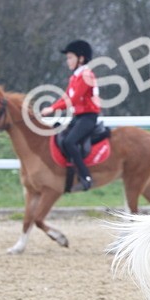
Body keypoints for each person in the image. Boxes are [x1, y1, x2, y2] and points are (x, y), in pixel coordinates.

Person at [42, 39, 101, 191]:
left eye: (70, 57)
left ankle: (86, 177)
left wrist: (52, 109)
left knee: (69, 142)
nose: (67, 61)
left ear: (80, 59)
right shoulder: (75, 76)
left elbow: (73, 100)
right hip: (78, 117)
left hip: (88, 117)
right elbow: (66, 97)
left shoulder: (86, 75)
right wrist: (53, 106)